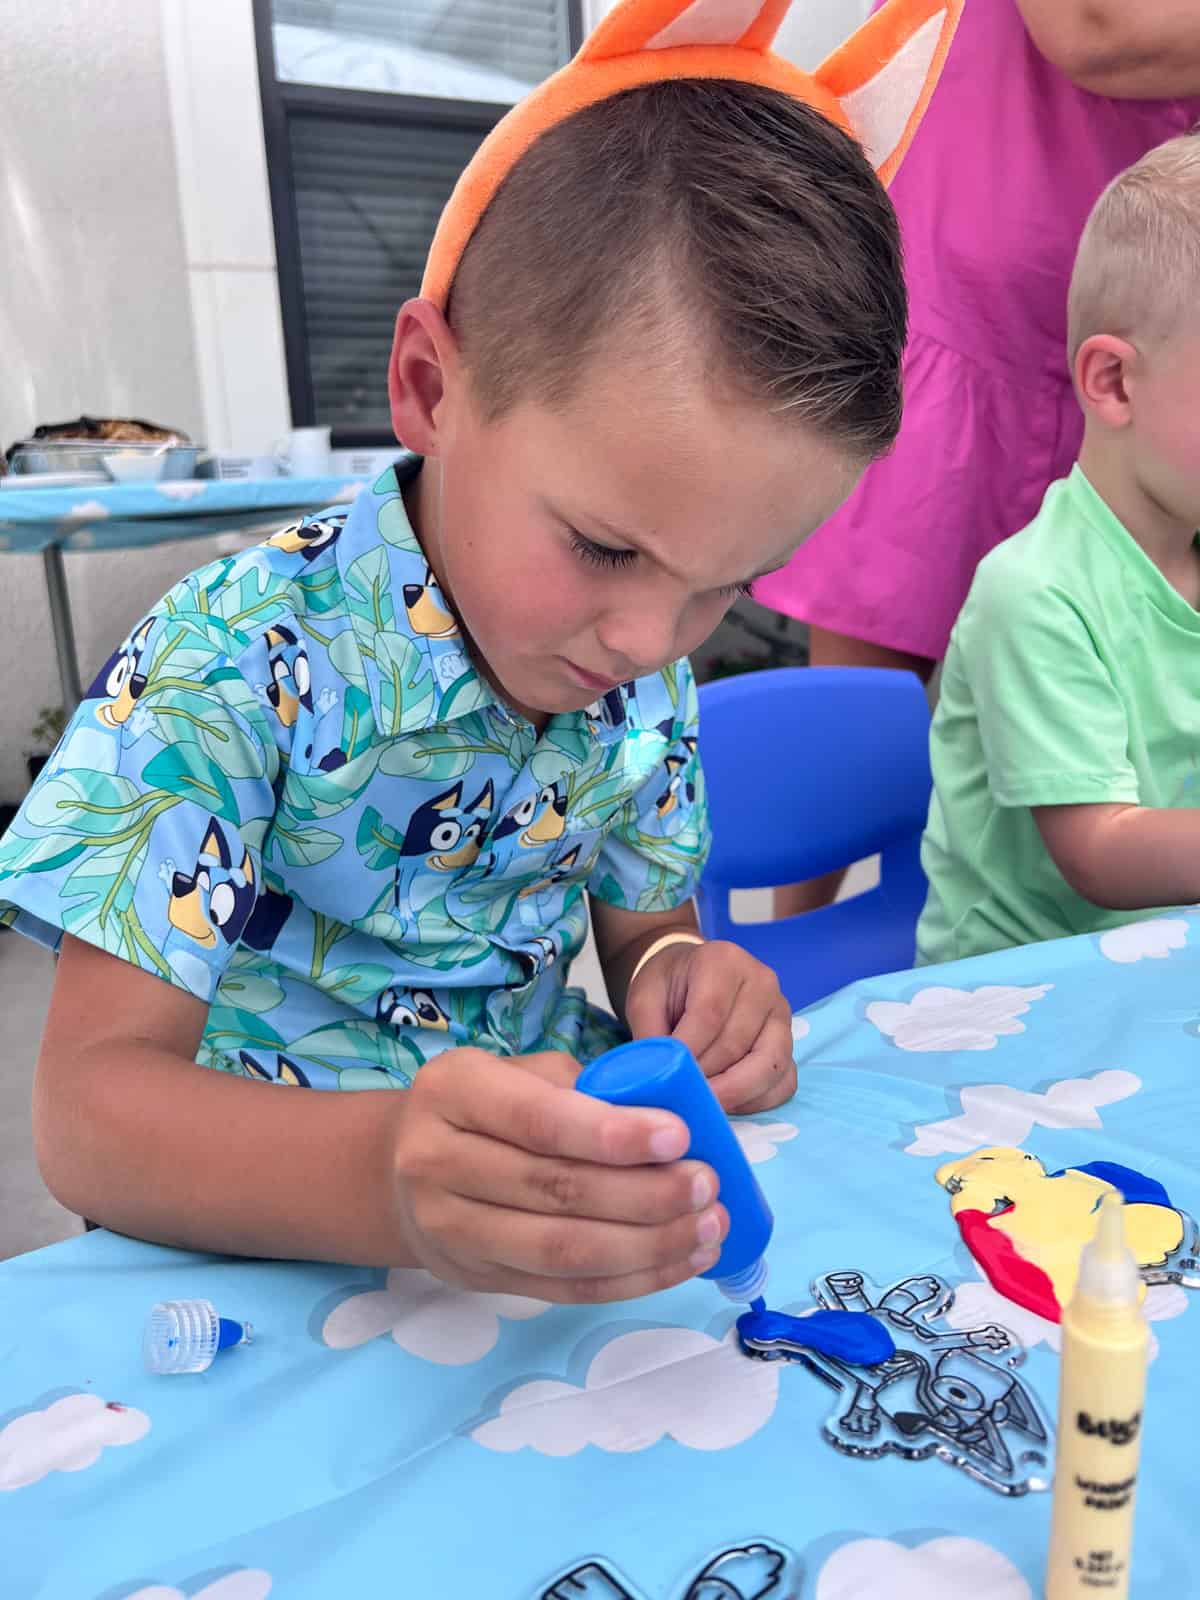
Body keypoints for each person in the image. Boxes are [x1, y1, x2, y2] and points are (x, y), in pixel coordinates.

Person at [0, 0, 951, 1300]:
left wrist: (688, 980)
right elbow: (88, 1120)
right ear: (432, 388)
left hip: (531, 1264)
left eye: (722, 586)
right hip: (249, 1273)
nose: (649, 640)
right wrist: (387, 1174)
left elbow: (645, 925)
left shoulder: (643, 671)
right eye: (606, 550)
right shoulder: (226, 664)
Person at [758, 0, 1200, 918]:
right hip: (993, 253)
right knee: (869, 687)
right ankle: (788, 950)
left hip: (1155, 277)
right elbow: (1091, 27)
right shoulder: (1034, 589)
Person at [918, 133, 1200, 965]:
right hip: (1015, 997)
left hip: (1159, 963)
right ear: (1114, 382)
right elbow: (1101, 853)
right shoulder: (1034, 592)